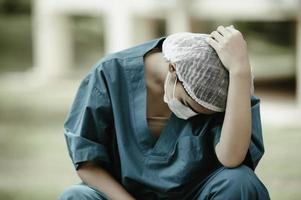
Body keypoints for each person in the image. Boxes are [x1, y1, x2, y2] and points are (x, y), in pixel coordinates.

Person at [58, 25, 270, 200]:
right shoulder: (109, 75)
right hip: (123, 195)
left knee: (241, 182)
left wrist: (240, 70)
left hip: (197, 195)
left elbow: (232, 159)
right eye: (188, 103)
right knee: (76, 196)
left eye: (202, 114)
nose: (190, 115)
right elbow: (88, 164)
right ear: (173, 70)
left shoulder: (229, 87)